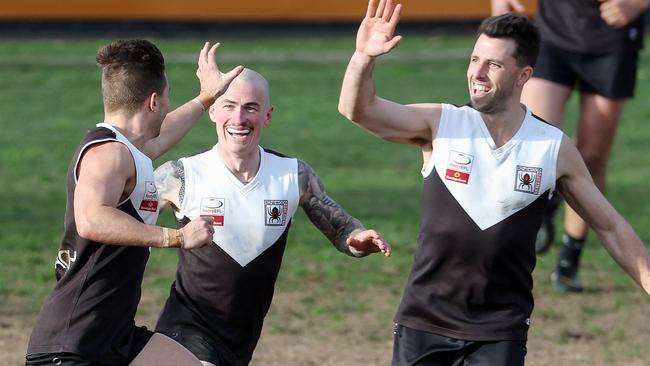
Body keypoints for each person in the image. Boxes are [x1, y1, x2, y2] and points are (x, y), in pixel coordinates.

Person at [338, 1, 650, 365]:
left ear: (523, 76)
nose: (478, 72)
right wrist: (364, 57)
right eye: (474, 60)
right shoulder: (442, 123)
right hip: (424, 322)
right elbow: (358, 110)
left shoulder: (552, 148)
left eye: (494, 64)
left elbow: (609, 226)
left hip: (500, 331)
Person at [153, 68, 392, 366]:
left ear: (267, 115)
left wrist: (359, 240)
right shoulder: (179, 175)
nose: (238, 119)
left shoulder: (293, 175)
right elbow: (124, 223)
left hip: (241, 340)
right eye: (229, 106)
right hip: (186, 330)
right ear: (212, 110)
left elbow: (342, 229)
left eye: (250, 108)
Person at [25, 39, 244, 366]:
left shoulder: (128, 150)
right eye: (168, 95)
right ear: (154, 101)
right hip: (73, 345)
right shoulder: (108, 154)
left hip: (114, 336)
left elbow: (162, 136)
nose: (169, 104)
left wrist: (206, 97)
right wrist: (177, 237)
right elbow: (91, 219)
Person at [491, 0, 650, 292]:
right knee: (534, 141)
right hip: (553, 31)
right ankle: (545, 205)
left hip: (613, 38)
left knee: (590, 156)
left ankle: (570, 256)